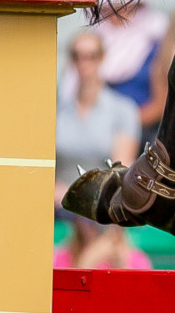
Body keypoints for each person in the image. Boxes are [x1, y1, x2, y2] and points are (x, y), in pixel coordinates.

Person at [55, 33, 142, 203]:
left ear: (101, 58)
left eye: (91, 56)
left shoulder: (123, 110)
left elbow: (120, 172)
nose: (83, 63)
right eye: (77, 56)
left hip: (102, 203)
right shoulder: (58, 111)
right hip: (58, 204)